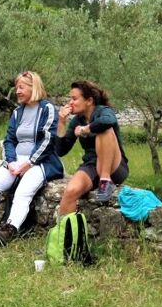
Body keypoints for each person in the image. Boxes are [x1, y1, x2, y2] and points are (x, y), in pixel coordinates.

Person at [0, 72, 64, 246]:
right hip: (17, 161)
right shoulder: (17, 112)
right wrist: (11, 162)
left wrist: (29, 163)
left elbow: (48, 139)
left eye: (21, 87)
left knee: (24, 189)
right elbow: (9, 140)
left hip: (41, 161)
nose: (17, 91)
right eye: (16, 88)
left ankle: (8, 230)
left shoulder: (47, 109)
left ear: (33, 87)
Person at [55, 80, 129, 215]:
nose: (70, 102)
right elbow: (61, 150)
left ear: (89, 101)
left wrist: (85, 129)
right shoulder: (77, 120)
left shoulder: (103, 111)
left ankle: (105, 182)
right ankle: (65, 233)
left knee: (104, 129)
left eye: (74, 98)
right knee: (71, 191)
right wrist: (61, 122)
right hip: (91, 165)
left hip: (114, 166)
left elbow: (109, 121)